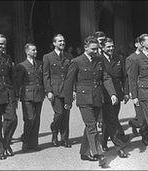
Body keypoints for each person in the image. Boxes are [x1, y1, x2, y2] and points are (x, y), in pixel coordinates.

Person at [63, 36, 117, 167]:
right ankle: (98, 154)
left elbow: (105, 77)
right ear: (85, 48)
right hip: (84, 99)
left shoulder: (99, 60)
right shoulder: (76, 61)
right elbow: (69, 82)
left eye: (97, 49)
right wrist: (68, 100)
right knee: (92, 126)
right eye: (93, 49)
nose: (95, 51)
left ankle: (84, 152)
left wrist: (112, 93)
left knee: (90, 126)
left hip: (98, 97)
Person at [99, 37, 130, 158]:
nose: (111, 48)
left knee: (112, 118)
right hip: (103, 94)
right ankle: (119, 146)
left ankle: (103, 141)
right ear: (102, 47)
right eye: (108, 47)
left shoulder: (119, 58)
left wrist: (126, 92)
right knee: (112, 120)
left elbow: (124, 77)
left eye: (112, 46)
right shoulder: (98, 59)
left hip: (117, 94)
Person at [43, 34, 73, 148]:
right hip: (55, 90)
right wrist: (48, 91)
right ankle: (54, 131)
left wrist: (73, 90)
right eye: (59, 41)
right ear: (54, 43)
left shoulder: (69, 56)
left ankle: (65, 139)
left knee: (66, 115)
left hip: (67, 90)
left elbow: (72, 75)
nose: (62, 43)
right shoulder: (48, 57)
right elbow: (46, 75)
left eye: (63, 41)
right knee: (59, 113)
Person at [15, 43, 44, 152]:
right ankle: (26, 142)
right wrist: (16, 96)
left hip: (39, 94)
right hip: (27, 96)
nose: (35, 52)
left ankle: (34, 144)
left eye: (36, 50)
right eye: (33, 50)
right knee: (29, 119)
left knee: (36, 120)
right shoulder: (21, 65)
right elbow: (17, 82)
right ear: (27, 52)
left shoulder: (40, 64)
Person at [126, 37, 144, 136]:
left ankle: (145, 131)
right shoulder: (131, 58)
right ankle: (133, 123)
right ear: (136, 44)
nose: (142, 45)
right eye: (140, 43)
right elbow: (130, 76)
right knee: (140, 115)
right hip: (137, 89)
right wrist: (131, 91)